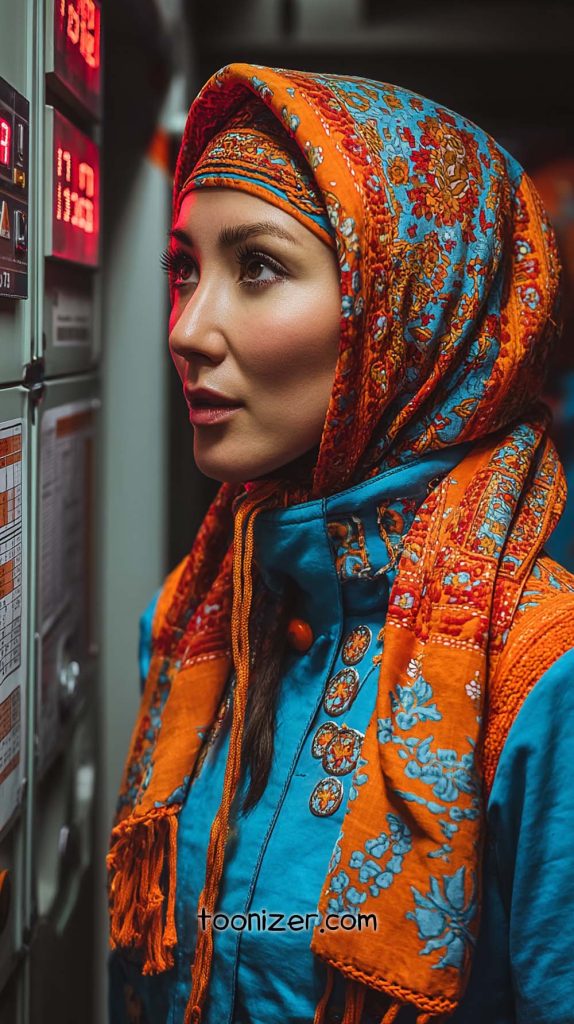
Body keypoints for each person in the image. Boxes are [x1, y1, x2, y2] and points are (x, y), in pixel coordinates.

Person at [107, 63, 574, 1024]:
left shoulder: (540, 677)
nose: (188, 330)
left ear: (410, 310)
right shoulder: (216, 606)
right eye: (183, 270)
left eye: (260, 267)